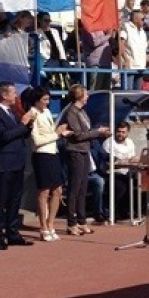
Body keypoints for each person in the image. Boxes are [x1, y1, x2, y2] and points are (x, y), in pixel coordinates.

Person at [0, 81, 37, 249]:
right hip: (4, 163)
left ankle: (13, 232)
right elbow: (3, 136)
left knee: (15, 200)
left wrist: (28, 124)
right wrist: (22, 124)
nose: (16, 95)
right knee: (2, 200)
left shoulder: (12, 112)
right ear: (4, 95)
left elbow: (20, 134)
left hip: (17, 161)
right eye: (13, 92)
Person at [58, 85, 110, 235]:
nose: (87, 96)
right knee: (74, 187)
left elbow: (86, 131)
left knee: (83, 186)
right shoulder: (71, 112)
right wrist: (97, 132)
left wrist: (99, 132)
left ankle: (82, 220)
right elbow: (79, 134)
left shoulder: (82, 112)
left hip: (84, 150)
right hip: (75, 150)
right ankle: (71, 222)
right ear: (79, 96)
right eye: (85, 94)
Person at [27, 87, 71, 241]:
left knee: (57, 190)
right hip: (41, 155)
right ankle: (43, 227)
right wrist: (56, 134)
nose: (47, 102)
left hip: (53, 153)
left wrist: (59, 131)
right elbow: (37, 141)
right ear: (36, 100)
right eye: (44, 99)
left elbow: (50, 133)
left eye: (48, 99)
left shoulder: (46, 112)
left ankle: (51, 223)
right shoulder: (32, 114)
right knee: (44, 191)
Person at [102, 121, 139, 219]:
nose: (120, 134)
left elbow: (133, 158)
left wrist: (136, 159)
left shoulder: (130, 142)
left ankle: (138, 209)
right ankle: (116, 211)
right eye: (119, 131)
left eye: (123, 132)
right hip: (112, 173)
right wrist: (123, 161)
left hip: (128, 172)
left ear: (128, 133)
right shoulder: (108, 143)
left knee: (142, 181)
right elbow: (107, 163)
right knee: (122, 185)